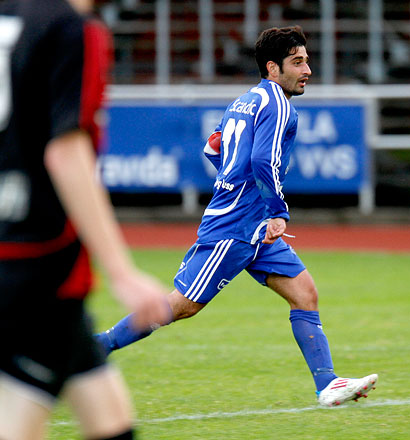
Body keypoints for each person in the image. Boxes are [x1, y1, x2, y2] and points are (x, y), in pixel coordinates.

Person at [94, 26, 378, 408]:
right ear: (273, 68)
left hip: (252, 224)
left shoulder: (244, 101)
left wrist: (235, 182)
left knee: (304, 293)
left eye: (307, 60)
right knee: (182, 306)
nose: (308, 69)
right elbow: (263, 160)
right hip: (234, 226)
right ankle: (96, 347)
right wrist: (276, 210)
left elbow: (212, 148)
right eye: (298, 62)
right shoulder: (278, 105)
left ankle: (327, 385)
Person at [0, 0, 172, 439]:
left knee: (111, 422)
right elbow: (66, 151)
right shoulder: (74, 29)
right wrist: (120, 271)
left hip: (30, 263)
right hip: (36, 266)